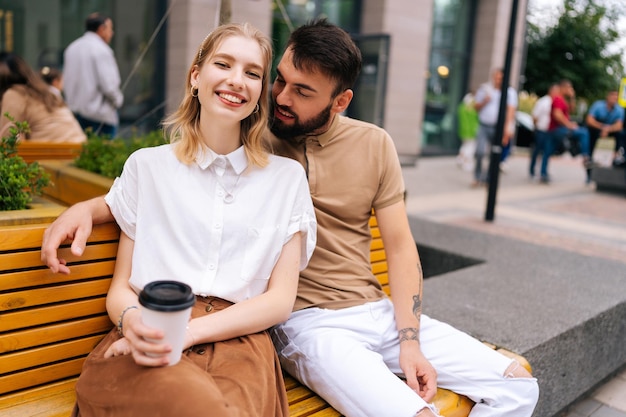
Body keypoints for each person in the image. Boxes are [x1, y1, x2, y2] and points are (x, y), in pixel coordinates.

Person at [42, 19, 539, 417]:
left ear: (340, 101)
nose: (280, 97)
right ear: (196, 74)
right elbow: (157, 192)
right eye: (278, 78)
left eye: (300, 91)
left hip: (357, 313)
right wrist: (89, 208)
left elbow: (401, 246)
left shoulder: (337, 156)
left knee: (520, 385)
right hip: (305, 326)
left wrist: (409, 339)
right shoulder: (199, 150)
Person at [63, 23, 316, 417]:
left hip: (240, 344)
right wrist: (135, 326)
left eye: (252, 73)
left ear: (259, 95)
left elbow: (280, 300)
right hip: (149, 331)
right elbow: (121, 289)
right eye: (224, 64)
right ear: (196, 76)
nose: (237, 80)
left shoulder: (286, 179)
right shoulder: (146, 168)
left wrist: (189, 333)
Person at [0, 52, 86, 143]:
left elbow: (7, 141)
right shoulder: (44, 92)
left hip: (52, 153)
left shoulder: (13, 95)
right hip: (79, 150)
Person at [63, 12, 123, 137]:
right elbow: (109, 85)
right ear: (101, 29)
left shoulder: (71, 48)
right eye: (110, 29)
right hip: (100, 116)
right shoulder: (102, 49)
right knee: (104, 154)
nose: (112, 33)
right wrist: (118, 100)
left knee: (82, 155)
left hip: (75, 114)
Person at [473, 68, 518, 186]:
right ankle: (477, 177)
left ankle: (488, 178)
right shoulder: (485, 89)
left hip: (498, 127)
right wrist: (484, 101)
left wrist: (507, 129)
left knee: (495, 153)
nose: (498, 80)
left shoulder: (509, 92)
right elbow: (476, 107)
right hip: (484, 125)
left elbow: (511, 111)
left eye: (501, 78)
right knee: (480, 151)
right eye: (496, 77)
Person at [548, 79, 592, 183]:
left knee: (548, 151)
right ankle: (585, 155)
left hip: (558, 129)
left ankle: (543, 173)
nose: (570, 90)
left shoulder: (563, 100)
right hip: (557, 129)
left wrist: (572, 97)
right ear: (563, 88)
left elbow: (571, 110)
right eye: (569, 88)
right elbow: (557, 115)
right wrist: (569, 125)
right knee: (583, 133)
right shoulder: (558, 99)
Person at [585, 90, 624, 177]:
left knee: (621, 134)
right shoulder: (598, 105)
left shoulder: (619, 109)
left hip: (610, 131)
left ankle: (618, 155)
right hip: (597, 130)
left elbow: (619, 125)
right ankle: (589, 157)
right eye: (613, 96)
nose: (615, 98)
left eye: (616, 97)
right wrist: (602, 127)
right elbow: (589, 120)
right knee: (589, 134)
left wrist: (608, 129)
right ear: (608, 96)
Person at [529, 83, 559, 183]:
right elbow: (535, 116)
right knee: (537, 150)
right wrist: (536, 128)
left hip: (550, 131)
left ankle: (543, 172)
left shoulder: (556, 102)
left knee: (547, 152)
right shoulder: (544, 101)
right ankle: (532, 170)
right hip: (541, 130)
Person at [456, 91, 478, 172]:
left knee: (465, 145)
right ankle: (464, 160)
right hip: (471, 131)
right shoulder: (473, 109)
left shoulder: (461, 107)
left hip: (463, 131)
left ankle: (460, 157)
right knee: (470, 147)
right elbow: (476, 119)